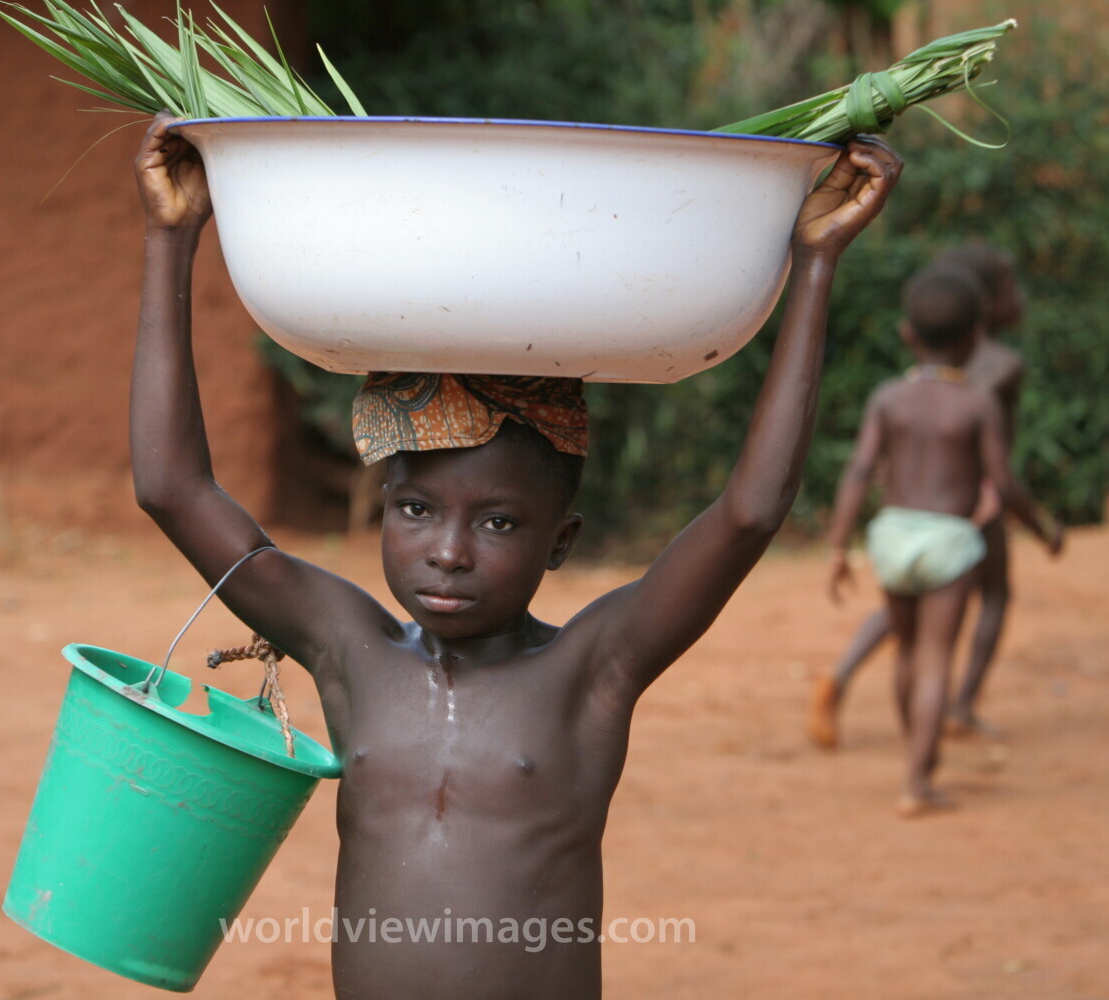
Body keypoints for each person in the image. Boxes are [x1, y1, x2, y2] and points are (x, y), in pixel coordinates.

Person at [129, 111, 899, 998]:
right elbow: (172, 490)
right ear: (383, 507)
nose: (448, 552)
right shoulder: (347, 647)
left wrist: (813, 265)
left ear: (559, 541)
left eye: (497, 524)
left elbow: (749, 513)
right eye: (417, 509)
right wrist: (170, 237)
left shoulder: (593, 667)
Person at [821, 264, 1062, 816]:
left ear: (907, 333)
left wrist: (839, 547)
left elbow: (858, 471)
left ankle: (915, 751)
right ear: (976, 338)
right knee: (935, 661)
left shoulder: (887, 398)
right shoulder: (977, 404)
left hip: (892, 535)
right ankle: (917, 782)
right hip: (948, 542)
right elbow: (1003, 484)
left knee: (907, 654)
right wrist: (1044, 529)